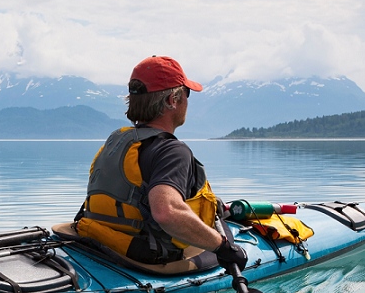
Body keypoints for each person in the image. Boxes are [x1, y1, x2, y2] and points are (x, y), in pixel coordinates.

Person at [74, 56, 247, 271]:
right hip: (148, 252)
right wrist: (222, 247)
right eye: (187, 93)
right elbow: (166, 212)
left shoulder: (118, 140)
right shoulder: (172, 151)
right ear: (172, 100)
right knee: (226, 243)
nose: (187, 101)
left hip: (102, 238)